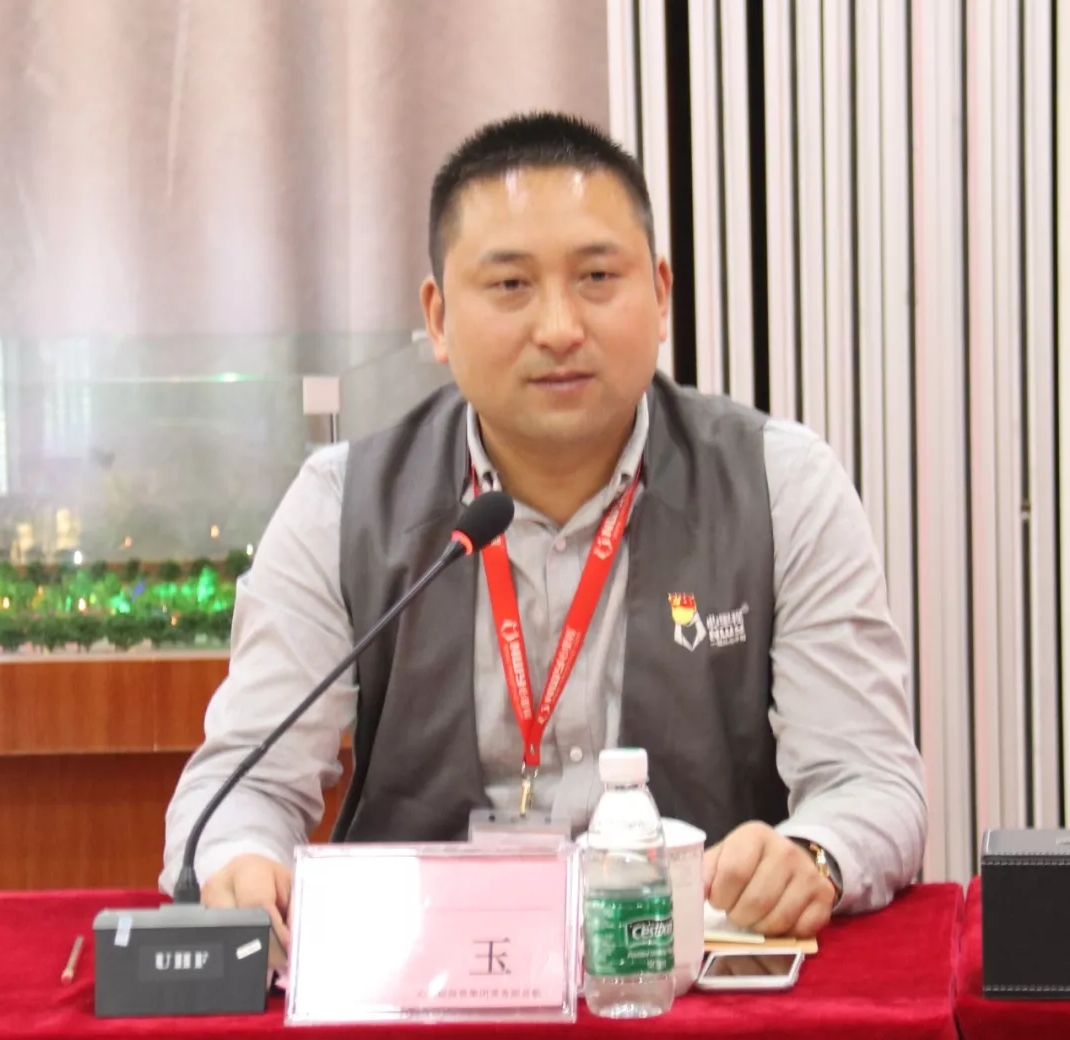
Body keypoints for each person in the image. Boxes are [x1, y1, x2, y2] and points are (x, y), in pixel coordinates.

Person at [161, 111, 927, 951]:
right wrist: (239, 859)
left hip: (687, 978)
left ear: (661, 295)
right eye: (510, 285)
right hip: (423, 978)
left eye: (597, 276)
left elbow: (870, 781)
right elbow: (239, 787)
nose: (560, 327)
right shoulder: (341, 505)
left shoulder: (781, 485)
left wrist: (813, 853)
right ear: (439, 318)